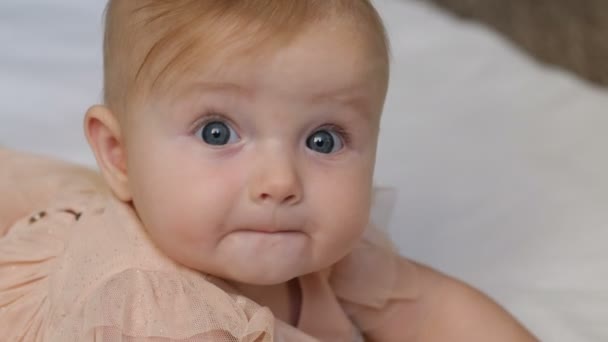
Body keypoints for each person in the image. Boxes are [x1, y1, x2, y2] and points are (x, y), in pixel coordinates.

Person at [0, 1, 537, 340]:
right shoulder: (144, 309)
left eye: (323, 140)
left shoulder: (324, 251)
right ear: (119, 154)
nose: (280, 182)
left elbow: (434, 312)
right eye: (217, 133)